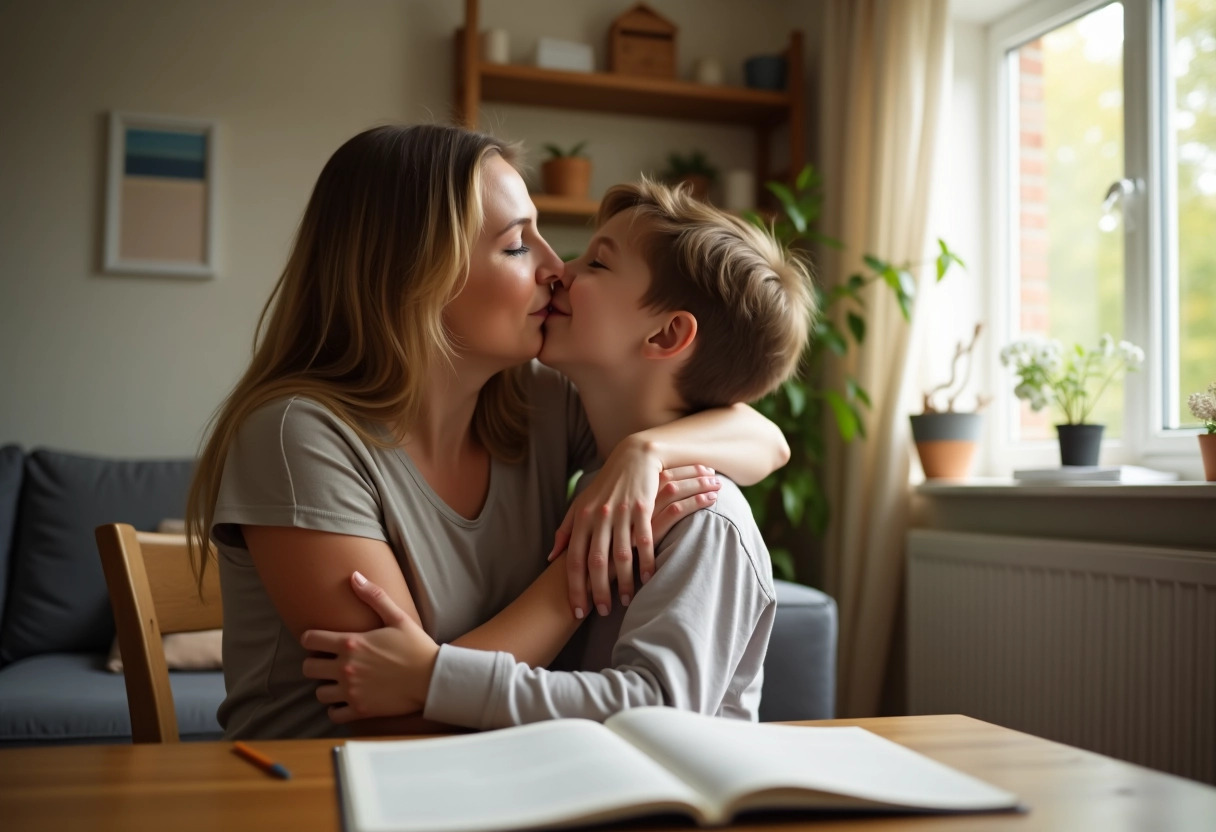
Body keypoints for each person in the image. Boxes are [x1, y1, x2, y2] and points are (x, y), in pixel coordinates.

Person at [184, 125, 790, 739]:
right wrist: (573, 575)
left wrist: (647, 450)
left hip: (492, 778)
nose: (556, 268)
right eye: (516, 246)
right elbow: (396, 716)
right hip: (322, 790)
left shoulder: (537, 401)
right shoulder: (299, 437)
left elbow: (764, 438)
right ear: (415, 275)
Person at [300, 178, 814, 727]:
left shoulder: (702, 515)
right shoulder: (594, 457)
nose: (560, 270)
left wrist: (436, 678)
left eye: (597, 264)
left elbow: (661, 713)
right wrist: (640, 453)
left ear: (665, 335)